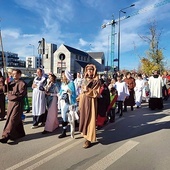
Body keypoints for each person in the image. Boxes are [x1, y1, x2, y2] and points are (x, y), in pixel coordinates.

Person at [0, 69, 27, 143]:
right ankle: (20, 133)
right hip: (10, 103)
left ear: (19, 74)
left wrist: (10, 95)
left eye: (15, 74)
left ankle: (6, 135)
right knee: (11, 118)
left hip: (17, 103)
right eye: (13, 73)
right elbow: (5, 91)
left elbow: (21, 95)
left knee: (13, 119)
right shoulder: (11, 82)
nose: (14, 75)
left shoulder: (22, 83)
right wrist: (5, 84)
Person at [78, 64, 100, 148]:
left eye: (91, 70)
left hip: (91, 101)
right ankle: (85, 134)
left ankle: (89, 139)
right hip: (83, 101)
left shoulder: (96, 81)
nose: (89, 71)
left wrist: (88, 90)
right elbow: (82, 91)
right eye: (88, 70)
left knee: (91, 119)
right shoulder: (85, 80)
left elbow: (97, 93)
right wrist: (79, 97)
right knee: (84, 118)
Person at [58, 70, 76, 138]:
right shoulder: (63, 84)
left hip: (69, 102)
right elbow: (60, 91)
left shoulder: (71, 83)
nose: (62, 77)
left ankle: (71, 131)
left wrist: (68, 92)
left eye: (63, 75)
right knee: (64, 116)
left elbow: (73, 93)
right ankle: (64, 131)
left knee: (71, 118)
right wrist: (60, 95)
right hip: (63, 102)